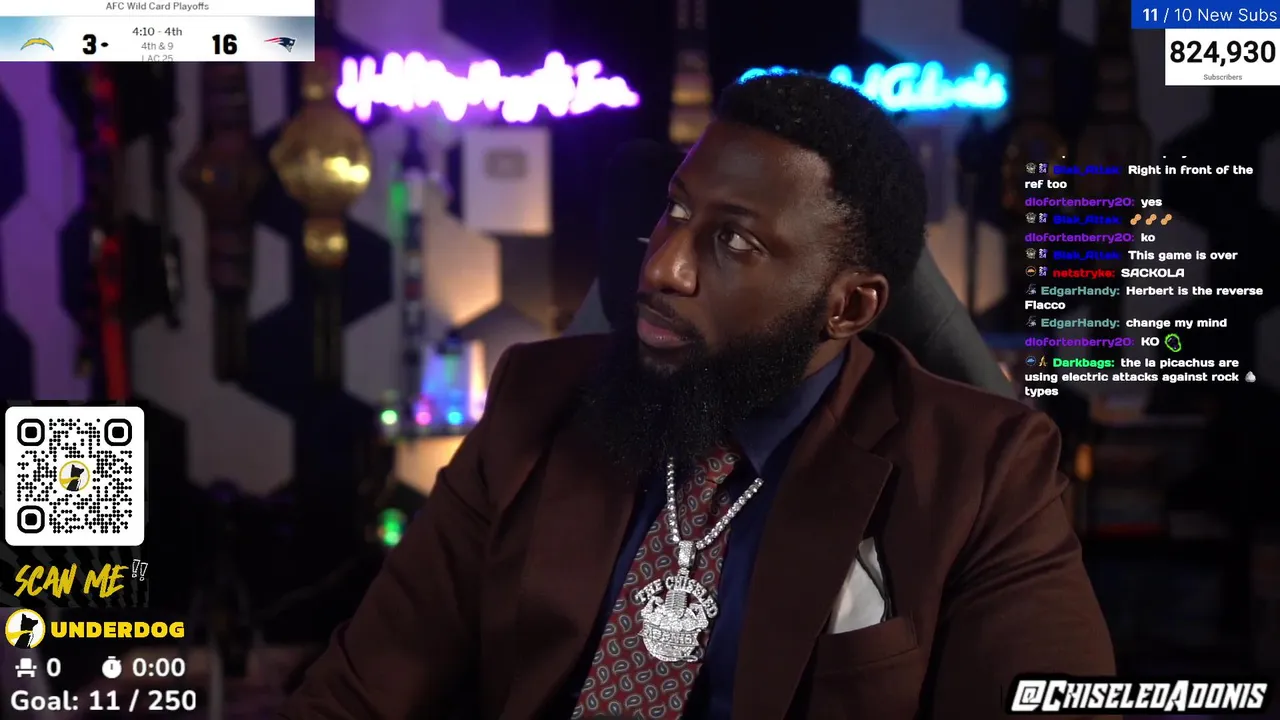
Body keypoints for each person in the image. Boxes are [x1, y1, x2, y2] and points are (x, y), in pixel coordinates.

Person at [279, 72, 1114, 720]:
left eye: (734, 242)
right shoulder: (537, 401)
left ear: (849, 306)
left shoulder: (985, 470)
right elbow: (356, 695)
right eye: (677, 211)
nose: (663, 266)